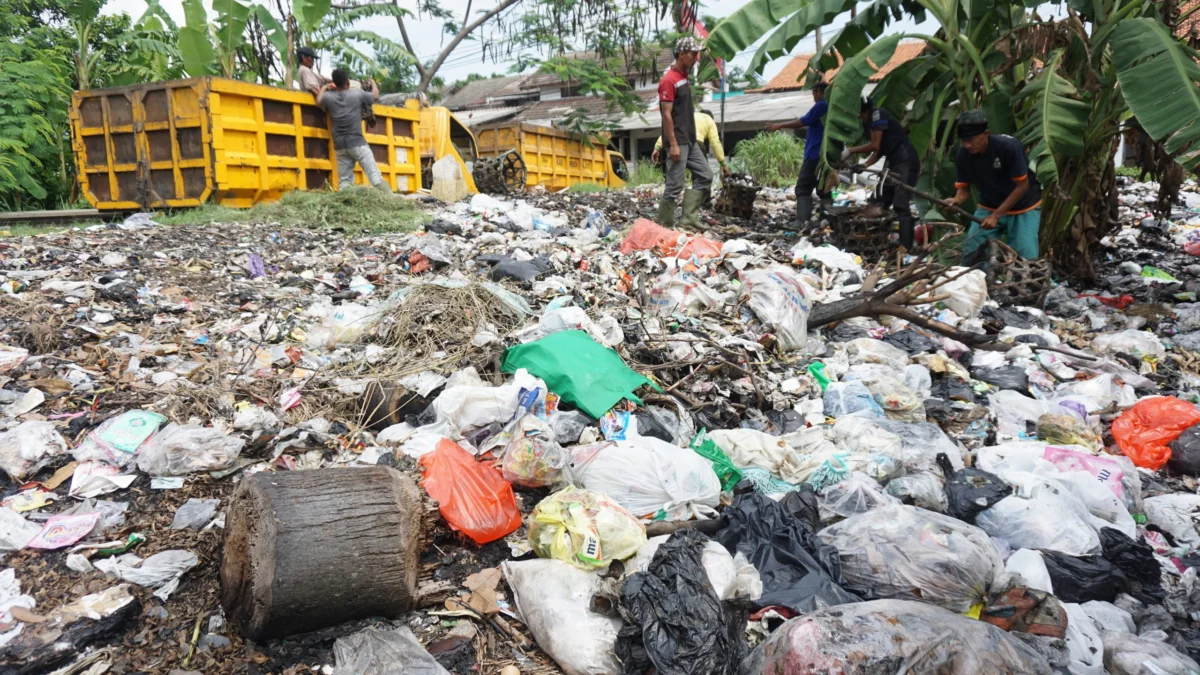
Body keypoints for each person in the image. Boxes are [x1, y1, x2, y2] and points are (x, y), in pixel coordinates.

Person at [947, 109, 1042, 264]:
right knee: (973, 252)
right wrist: (956, 200)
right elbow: (963, 190)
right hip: (989, 205)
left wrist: (996, 215)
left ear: (986, 133)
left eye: (971, 139)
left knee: (1025, 258)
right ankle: (978, 283)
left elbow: (1022, 186)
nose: (967, 145)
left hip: (1023, 206)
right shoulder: (963, 155)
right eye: (963, 140)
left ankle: (1026, 285)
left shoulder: (1008, 148)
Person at [845, 97, 921, 249]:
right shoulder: (867, 123)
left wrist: (850, 150)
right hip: (893, 162)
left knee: (901, 204)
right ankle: (880, 240)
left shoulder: (877, 115)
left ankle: (905, 249)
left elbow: (874, 144)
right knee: (879, 199)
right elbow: (879, 150)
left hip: (905, 161)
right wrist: (864, 164)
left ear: (861, 110)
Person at [657, 36, 712, 229]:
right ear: (682, 54)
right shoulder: (668, 80)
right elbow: (666, 114)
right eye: (694, 54)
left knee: (705, 175)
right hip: (677, 140)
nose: (697, 58)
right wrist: (672, 144)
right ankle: (664, 226)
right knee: (674, 186)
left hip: (690, 139)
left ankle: (689, 218)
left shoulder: (683, 77)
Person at [765, 80, 830, 224]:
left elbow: (803, 121)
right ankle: (827, 220)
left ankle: (802, 221)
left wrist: (780, 125)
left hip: (815, 154)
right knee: (823, 188)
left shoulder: (821, 105)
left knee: (803, 186)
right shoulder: (831, 107)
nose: (813, 95)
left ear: (820, 91)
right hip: (824, 154)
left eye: (814, 92)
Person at [317, 69, 389, 192]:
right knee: (374, 175)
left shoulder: (329, 97)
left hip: (340, 145)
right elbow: (375, 96)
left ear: (335, 83)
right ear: (348, 83)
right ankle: (390, 200)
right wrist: (373, 83)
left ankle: (346, 202)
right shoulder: (357, 94)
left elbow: (318, 101)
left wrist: (324, 87)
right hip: (357, 143)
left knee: (345, 181)